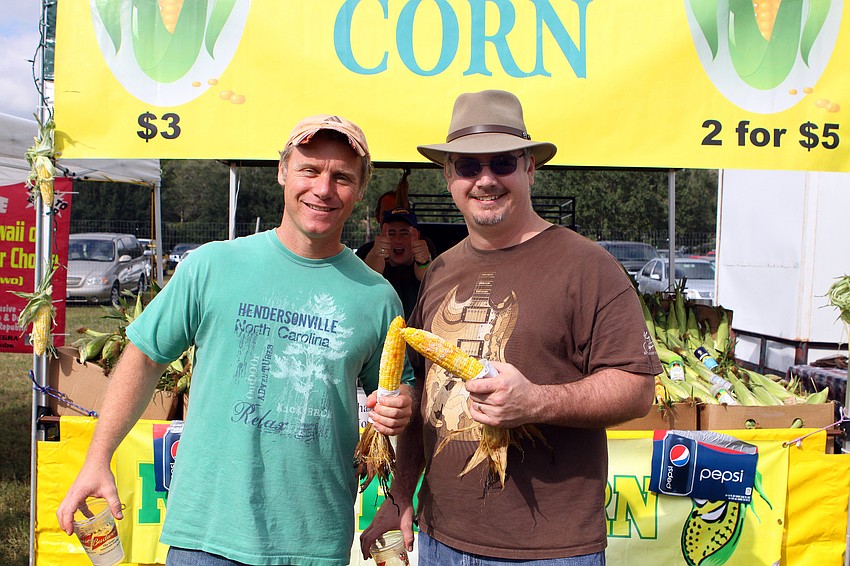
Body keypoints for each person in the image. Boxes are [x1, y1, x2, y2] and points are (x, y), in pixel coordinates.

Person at [57, 114, 415, 565]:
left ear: (360, 189)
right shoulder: (212, 266)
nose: (323, 189)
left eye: (341, 177)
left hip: (312, 541)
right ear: (282, 171)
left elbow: (402, 391)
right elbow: (145, 357)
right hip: (206, 536)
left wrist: (402, 405)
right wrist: (98, 458)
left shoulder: (376, 297)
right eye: (309, 170)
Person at [360, 90, 662, 565]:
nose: (485, 180)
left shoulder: (588, 266)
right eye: (467, 166)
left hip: (549, 550)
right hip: (441, 540)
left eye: (502, 163)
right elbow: (425, 394)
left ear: (529, 168)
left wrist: (536, 401)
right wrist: (399, 497)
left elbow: (637, 389)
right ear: (449, 176)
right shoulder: (440, 271)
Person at [356, 207, 437, 318]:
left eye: (404, 233)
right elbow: (367, 276)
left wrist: (423, 261)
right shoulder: (370, 252)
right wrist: (376, 254)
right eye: (391, 233)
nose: (398, 240)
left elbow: (426, 275)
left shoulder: (426, 249)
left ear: (416, 235)